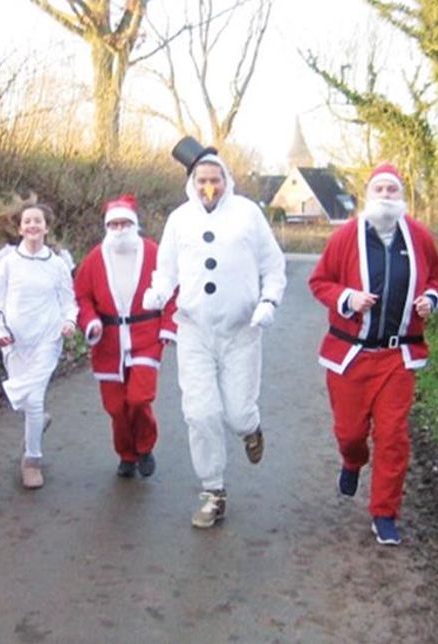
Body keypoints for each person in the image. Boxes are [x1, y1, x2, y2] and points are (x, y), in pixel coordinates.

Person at [142, 137, 287, 528]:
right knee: (200, 413)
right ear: (192, 181)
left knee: (237, 412)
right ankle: (213, 490)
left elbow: (273, 266)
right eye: (203, 179)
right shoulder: (179, 219)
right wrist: (158, 292)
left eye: (216, 179)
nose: (210, 186)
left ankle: (251, 429)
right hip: (194, 331)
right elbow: (166, 268)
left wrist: (269, 301)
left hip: (242, 330)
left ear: (227, 180)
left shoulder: (248, 215)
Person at [308, 162, 438, 546]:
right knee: (350, 433)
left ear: (402, 197)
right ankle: (352, 461)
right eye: (380, 190)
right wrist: (347, 298)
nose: (386, 196)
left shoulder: (419, 237)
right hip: (350, 355)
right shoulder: (346, 237)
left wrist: (430, 299)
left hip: (397, 357)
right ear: (369, 196)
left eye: (392, 190)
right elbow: (319, 282)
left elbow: (436, 276)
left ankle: (384, 512)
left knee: (393, 435)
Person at [74, 194, 177, 478]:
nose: (119, 230)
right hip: (108, 341)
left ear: (134, 225)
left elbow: (173, 290)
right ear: (107, 227)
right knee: (116, 407)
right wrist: (91, 321)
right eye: (114, 225)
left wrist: (168, 326)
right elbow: (82, 296)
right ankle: (126, 455)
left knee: (139, 398)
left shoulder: (154, 253)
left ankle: (144, 447)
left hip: (146, 335)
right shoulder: (95, 258)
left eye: (124, 223)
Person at [0, 202, 78, 489]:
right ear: (20, 228)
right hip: (14, 340)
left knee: (34, 399)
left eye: (38, 221)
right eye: (28, 221)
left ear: (46, 228)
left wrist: (69, 322)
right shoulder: (8, 262)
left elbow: (68, 301)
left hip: (47, 338)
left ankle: (31, 460)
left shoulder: (58, 264)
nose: (33, 226)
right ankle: (37, 422)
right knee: (25, 401)